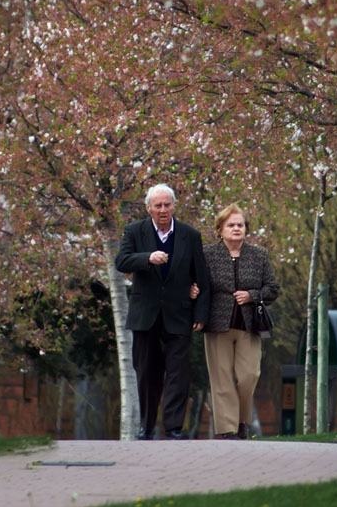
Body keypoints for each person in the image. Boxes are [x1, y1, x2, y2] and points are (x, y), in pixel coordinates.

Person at [114, 183, 210, 440]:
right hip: (145, 316)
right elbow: (121, 261)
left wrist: (200, 313)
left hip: (180, 314)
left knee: (178, 374)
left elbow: (201, 278)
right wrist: (147, 258)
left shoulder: (190, 235)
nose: (163, 209)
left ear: (174, 206)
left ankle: (174, 427)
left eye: (167, 204)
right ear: (149, 208)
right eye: (158, 205)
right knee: (146, 372)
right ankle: (147, 426)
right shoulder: (135, 231)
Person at [196, 204, 279, 439]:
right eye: (230, 225)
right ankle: (227, 430)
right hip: (216, 324)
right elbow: (198, 285)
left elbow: (273, 288)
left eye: (240, 225)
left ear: (246, 228)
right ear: (220, 229)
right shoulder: (207, 254)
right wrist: (193, 294)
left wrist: (252, 295)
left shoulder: (259, 255)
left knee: (249, 375)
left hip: (249, 326)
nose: (236, 229)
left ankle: (241, 420)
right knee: (221, 379)